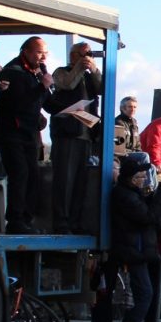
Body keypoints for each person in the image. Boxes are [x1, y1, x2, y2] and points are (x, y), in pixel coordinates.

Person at [110, 153, 161, 322]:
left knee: (146, 292)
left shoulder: (132, 193)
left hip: (140, 249)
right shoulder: (125, 195)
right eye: (138, 177)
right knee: (144, 294)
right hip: (134, 250)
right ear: (130, 178)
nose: (143, 180)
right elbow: (148, 216)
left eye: (143, 176)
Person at [0, 36, 52, 233]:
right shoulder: (13, 72)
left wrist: (73, 109)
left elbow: (48, 104)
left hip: (29, 135)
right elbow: (19, 103)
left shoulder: (37, 74)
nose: (43, 57)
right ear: (25, 52)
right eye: (39, 52)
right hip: (12, 132)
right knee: (20, 174)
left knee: (33, 176)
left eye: (45, 53)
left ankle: (26, 219)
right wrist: (42, 87)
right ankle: (15, 220)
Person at [46, 42, 102, 233]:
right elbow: (67, 83)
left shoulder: (88, 75)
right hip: (67, 134)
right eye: (83, 54)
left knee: (80, 183)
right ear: (73, 56)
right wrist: (79, 66)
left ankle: (75, 222)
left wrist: (93, 69)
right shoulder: (60, 72)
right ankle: (61, 223)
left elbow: (102, 87)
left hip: (86, 135)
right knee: (65, 181)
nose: (87, 57)